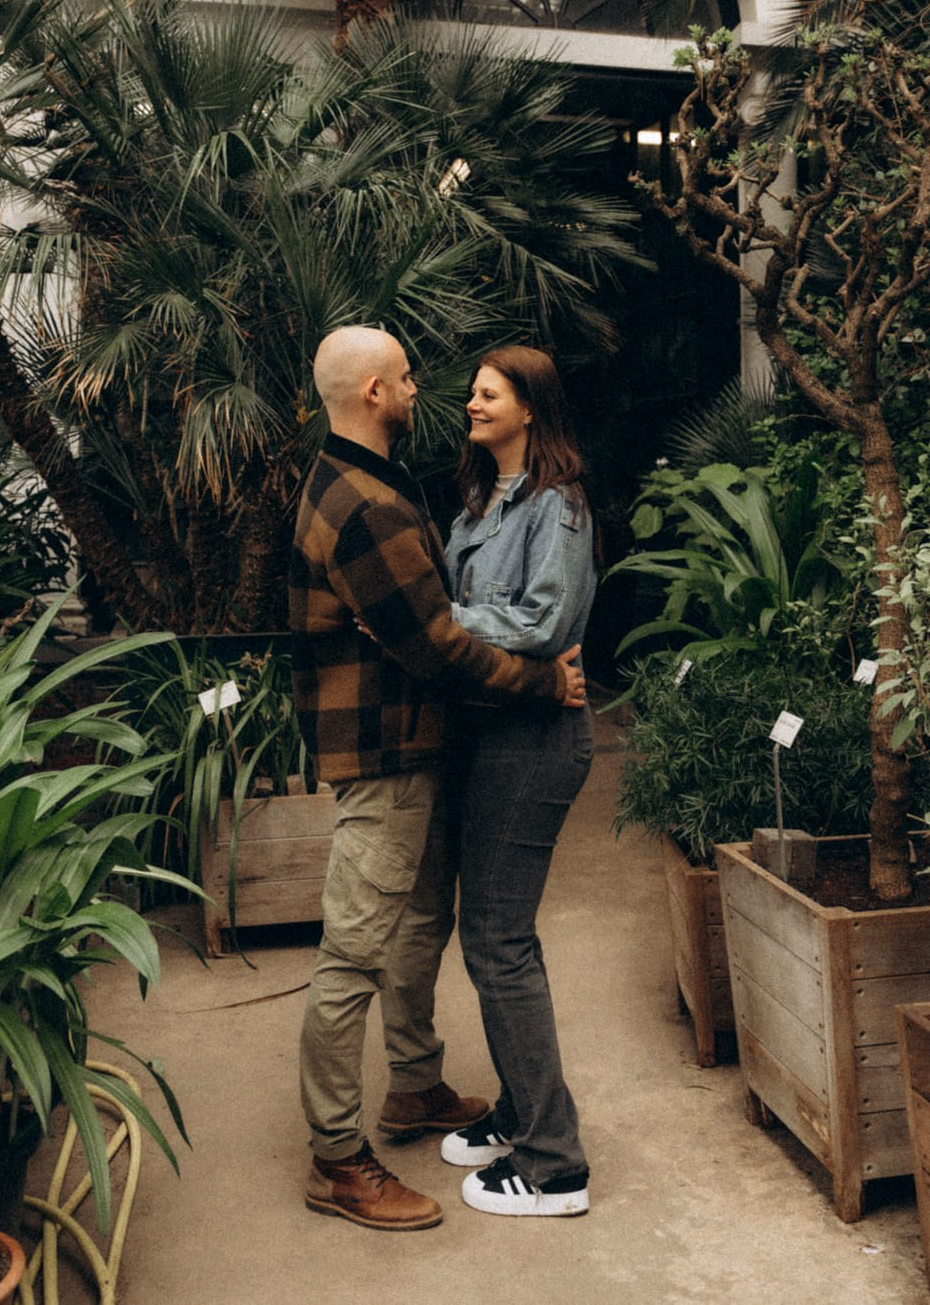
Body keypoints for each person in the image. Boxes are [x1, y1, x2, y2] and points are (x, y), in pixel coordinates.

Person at [290, 326, 585, 1233]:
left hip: (429, 745)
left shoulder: (383, 486)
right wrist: (543, 679)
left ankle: (418, 1088)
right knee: (355, 952)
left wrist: (446, 620)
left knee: (433, 925)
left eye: (487, 390)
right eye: (410, 377)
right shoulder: (373, 504)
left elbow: (488, 619)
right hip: (386, 753)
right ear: (375, 392)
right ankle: (337, 1158)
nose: (436, 393)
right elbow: (440, 643)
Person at [436, 346, 598, 1218]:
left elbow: (541, 622)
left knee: (498, 942)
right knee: (491, 937)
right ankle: (520, 1110)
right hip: (493, 732)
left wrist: (439, 620)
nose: (471, 403)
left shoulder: (557, 506)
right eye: (472, 391)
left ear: (530, 407)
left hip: (536, 740)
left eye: (488, 393)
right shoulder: (479, 503)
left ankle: (552, 1165)